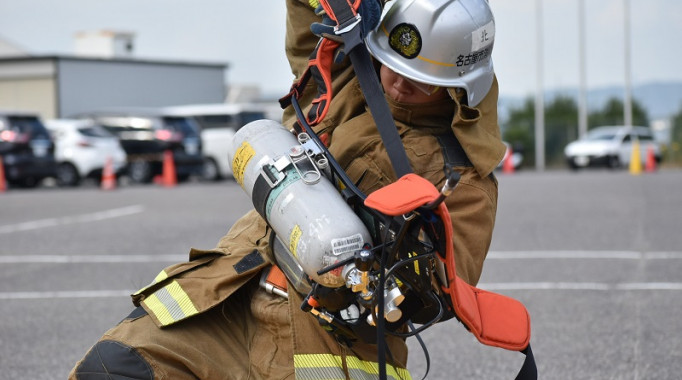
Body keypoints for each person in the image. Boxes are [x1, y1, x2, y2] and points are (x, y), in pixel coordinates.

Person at [68, 0, 505, 379]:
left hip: (326, 342)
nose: (397, 83)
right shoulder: (349, 83)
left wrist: (390, 250)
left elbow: (438, 293)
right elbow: (306, 29)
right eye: (391, 63)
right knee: (112, 369)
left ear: (461, 88)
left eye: (421, 80)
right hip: (230, 294)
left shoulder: (463, 181)